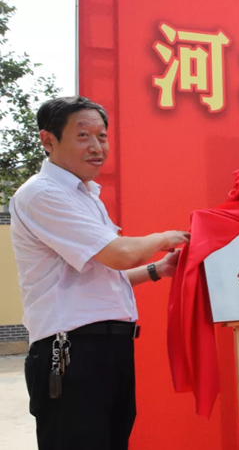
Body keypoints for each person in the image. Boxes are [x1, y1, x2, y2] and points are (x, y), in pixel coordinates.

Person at [9, 96, 190, 450]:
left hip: (110, 349)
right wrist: (164, 237)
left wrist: (156, 270)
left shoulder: (87, 196)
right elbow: (119, 255)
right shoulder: (41, 194)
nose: (96, 147)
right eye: (83, 136)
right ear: (48, 140)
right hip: (71, 352)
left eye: (102, 136)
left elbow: (101, 276)